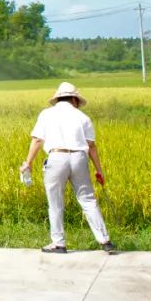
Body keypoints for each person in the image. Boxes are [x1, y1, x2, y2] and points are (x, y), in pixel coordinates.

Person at [20, 83, 115, 254]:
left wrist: (28, 162)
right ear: (74, 99)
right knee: (87, 199)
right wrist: (99, 171)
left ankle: (59, 243)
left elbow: (36, 140)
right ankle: (105, 240)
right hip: (79, 157)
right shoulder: (83, 117)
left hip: (56, 157)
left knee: (55, 202)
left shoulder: (46, 114)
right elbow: (92, 146)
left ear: (57, 99)